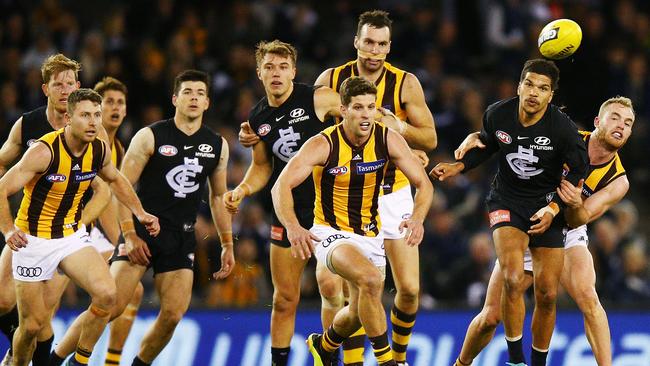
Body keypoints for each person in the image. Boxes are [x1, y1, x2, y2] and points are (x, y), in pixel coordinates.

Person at [50, 70, 234, 366]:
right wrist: (130, 235)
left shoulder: (217, 145)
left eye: (200, 93)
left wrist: (227, 242)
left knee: (173, 315)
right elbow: (121, 187)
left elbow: (216, 197)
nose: (194, 98)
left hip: (181, 236)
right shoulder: (150, 136)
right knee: (110, 305)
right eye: (187, 92)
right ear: (175, 99)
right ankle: (56, 359)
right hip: (142, 230)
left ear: (208, 102)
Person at [450, 96, 635, 366]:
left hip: (565, 228)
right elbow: (518, 131)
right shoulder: (568, 136)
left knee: (588, 297)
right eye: (615, 117)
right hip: (526, 221)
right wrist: (480, 135)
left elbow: (580, 218)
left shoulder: (618, 181)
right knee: (490, 317)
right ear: (598, 122)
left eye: (628, 123)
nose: (621, 125)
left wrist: (572, 204)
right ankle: (461, 363)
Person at [430, 59, 589, 366]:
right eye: (529, 84)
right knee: (513, 279)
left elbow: (580, 167)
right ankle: (515, 361)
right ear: (519, 86)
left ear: (551, 96)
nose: (534, 93)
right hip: (506, 200)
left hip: (545, 205)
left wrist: (555, 206)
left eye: (543, 88)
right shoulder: (497, 113)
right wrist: (458, 166)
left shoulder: (562, 129)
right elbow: (489, 145)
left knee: (547, 295)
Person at [272, 76, 433, 366]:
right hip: (330, 233)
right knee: (370, 281)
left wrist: (418, 218)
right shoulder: (323, 144)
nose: (366, 115)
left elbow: (424, 184)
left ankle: (325, 344)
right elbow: (280, 187)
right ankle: (388, 361)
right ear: (343, 110)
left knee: (359, 310)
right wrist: (294, 227)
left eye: (371, 107)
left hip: (370, 235)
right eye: (358, 108)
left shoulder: (387, 138)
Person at [0, 88, 159, 366]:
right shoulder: (43, 152)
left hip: (70, 236)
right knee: (32, 328)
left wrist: (140, 212)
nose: (94, 122)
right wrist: (8, 230)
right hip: (33, 240)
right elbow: (1, 188)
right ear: (68, 118)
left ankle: (79, 362)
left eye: (96, 115)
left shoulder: (99, 149)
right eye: (85, 115)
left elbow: (117, 181)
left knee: (108, 295)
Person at [313, 10, 437, 365]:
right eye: (368, 42)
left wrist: (398, 129)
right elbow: (315, 130)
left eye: (381, 44)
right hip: (346, 196)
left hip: (393, 194)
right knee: (355, 292)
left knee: (410, 291)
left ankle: (396, 357)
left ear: (389, 47)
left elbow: (428, 137)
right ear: (356, 42)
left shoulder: (405, 83)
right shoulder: (331, 79)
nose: (374, 50)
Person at [223, 40, 341, 366]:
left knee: (330, 286)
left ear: (294, 71)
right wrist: (242, 190)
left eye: (283, 66)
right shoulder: (258, 115)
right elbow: (263, 167)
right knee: (285, 298)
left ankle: (329, 354)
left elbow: (361, 118)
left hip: (329, 208)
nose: (276, 73)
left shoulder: (317, 97)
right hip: (287, 209)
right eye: (270, 67)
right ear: (259, 72)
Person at [0, 54, 112, 366]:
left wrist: (82, 221)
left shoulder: (91, 131)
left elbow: (105, 188)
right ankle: (18, 349)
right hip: (27, 226)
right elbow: (1, 164)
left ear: (79, 87)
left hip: (65, 234)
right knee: (5, 303)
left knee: (42, 316)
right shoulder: (28, 125)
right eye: (57, 84)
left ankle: (35, 359)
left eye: (70, 83)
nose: (64, 89)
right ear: (45, 89)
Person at [92, 77, 144, 366]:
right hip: (78, 228)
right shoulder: (94, 142)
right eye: (108, 101)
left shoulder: (121, 149)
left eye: (120, 102)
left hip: (95, 233)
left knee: (133, 289)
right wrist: (120, 243)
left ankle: (110, 360)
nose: (115, 107)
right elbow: (102, 202)